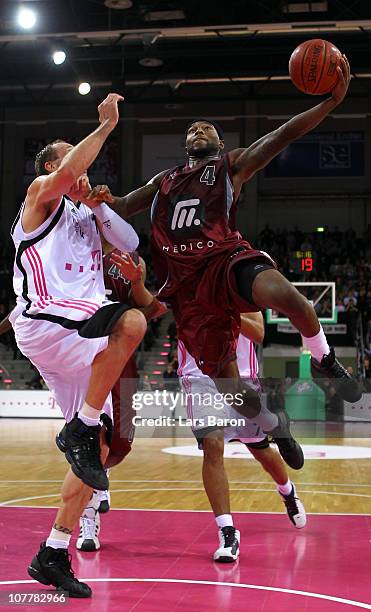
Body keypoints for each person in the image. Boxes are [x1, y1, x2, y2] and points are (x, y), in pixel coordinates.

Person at [86, 55, 361, 472]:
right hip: (187, 287)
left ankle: (323, 358)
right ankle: (275, 424)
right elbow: (123, 206)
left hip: (225, 260)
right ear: (185, 145)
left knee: (289, 299)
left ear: (217, 141)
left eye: (206, 127)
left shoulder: (231, 165)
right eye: (192, 128)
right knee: (232, 389)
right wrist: (104, 199)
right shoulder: (164, 181)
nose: (198, 129)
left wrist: (329, 103)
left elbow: (284, 133)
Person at [9, 94, 148, 598]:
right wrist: (106, 128)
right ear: (52, 166)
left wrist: (101, 209)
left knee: (100, 451)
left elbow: (130, 245)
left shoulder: (87, 217)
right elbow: (69, 172)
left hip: (76, 339)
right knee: (130, 323)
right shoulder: (39, 200)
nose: (84, 169)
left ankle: (53, 551)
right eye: (72, 159)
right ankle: (81, 429)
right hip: (48, 321)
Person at [178, 312, 306, 562]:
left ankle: (288, 492)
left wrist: (223, 309)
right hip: (200, 379)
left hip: (242, 380)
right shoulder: (184, 284)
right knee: (212, 444)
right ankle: (227, 531)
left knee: (261, 451)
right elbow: (153, 306)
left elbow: (258, 332)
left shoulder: (239, 285)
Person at [76, 246, 166, 551]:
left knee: (123, 441)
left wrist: (138, 284)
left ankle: (101, 474)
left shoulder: (129, 257)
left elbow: (150, 310)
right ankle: (87, 519)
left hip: (121, 353)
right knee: (89, 439)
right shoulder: (70, 250)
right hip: (81, 350)